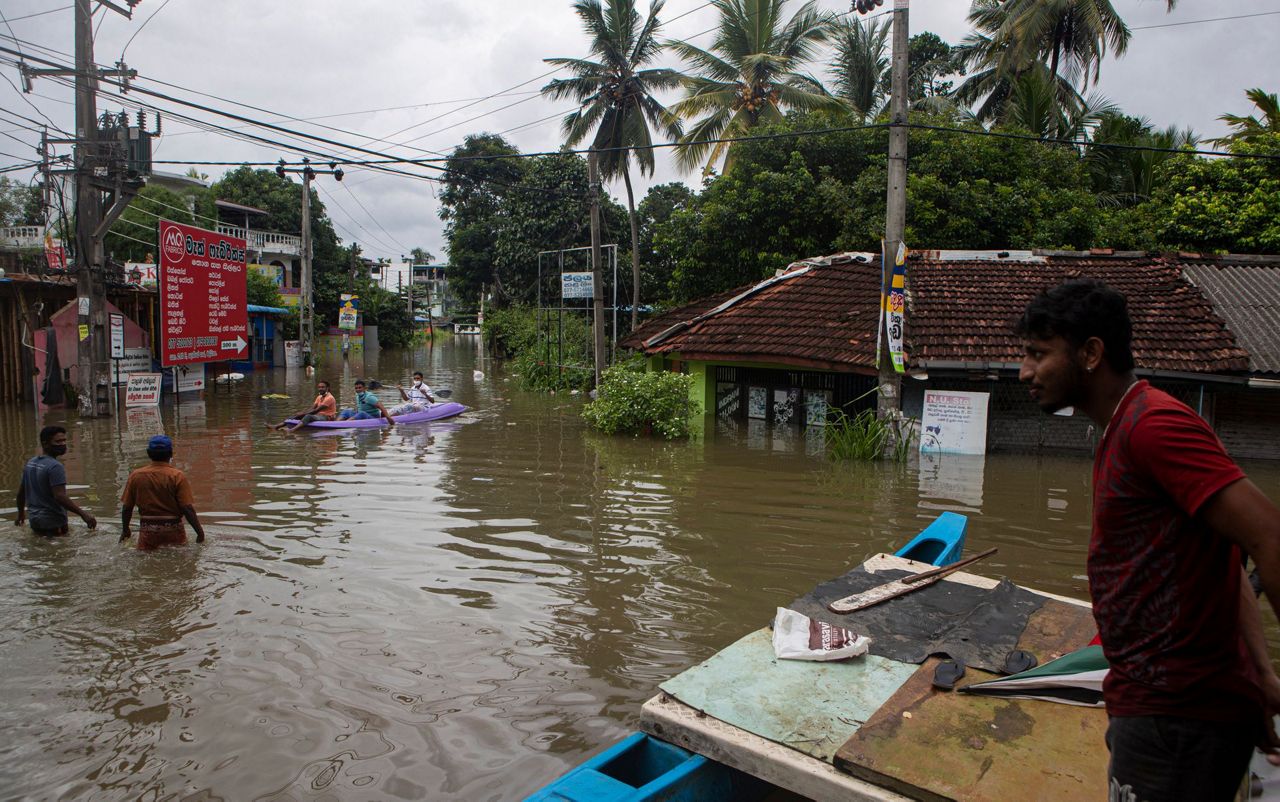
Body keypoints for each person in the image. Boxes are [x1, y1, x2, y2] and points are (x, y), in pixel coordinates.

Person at [1016, 279, 1280, 801]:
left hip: (1179, 715)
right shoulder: (1122, 427)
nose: (1025, 372)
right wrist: (1264, 676)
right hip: (1158, 707)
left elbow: (1269, 535)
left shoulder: (1153, 426)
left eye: (1038, 354)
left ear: (1091, 353)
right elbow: (1230, 559)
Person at [120, 435, 205, 550]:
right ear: (171, 453)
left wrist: (125, 530)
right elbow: (187, 508)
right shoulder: (177, 476)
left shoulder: (136, 476)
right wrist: (200, 533)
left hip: (147, 533)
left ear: (148, 453)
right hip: (174, 532)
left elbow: (126, 508)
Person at [15, 425, 96, 536]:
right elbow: (60, 496)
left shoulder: (31, 463)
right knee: (61, 552)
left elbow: (20, 494)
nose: (63, 444)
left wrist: (21, 515)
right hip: (53, 522)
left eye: (64, 440)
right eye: (58, 441)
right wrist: (84, 515)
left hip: (35, 521)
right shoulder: (55, 466)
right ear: (45, 443)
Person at [268, 380, 337, 432]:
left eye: (322, 387)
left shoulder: (329, 398)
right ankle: (276, 426)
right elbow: (312, 408)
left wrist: (303, 414)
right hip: (319, 415)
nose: (320, 389)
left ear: (327, 388)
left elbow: (316, 410)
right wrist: (300, 413)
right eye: (319, 387)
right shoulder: (319, 397)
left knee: (308, 416)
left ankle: (292, 430)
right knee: (297, 414)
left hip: (327, 418)